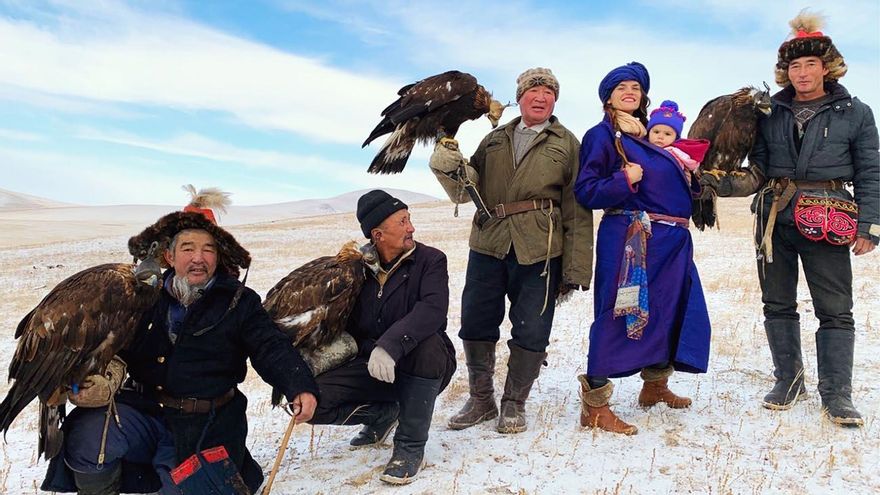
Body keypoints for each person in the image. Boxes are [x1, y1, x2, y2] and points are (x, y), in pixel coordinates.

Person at [41, 205, 319, 494]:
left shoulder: (240, 302)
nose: (198, 258)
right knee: (86, 436)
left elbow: (270, 346)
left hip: (207, 425)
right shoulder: (143, 296)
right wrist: (105, 377)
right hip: (145, 413)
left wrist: (298, 385)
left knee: (190, 487)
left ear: (219, 256)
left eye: (208, 249)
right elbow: (118, 347)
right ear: (169, 256)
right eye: (188, 248)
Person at [698, 12, 878, 426]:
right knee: (777, 303)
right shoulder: (770, 112)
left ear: (826, 66)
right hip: (773, 219)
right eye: (794, 65)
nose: (802, 72)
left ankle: (837, 394)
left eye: (810, 63)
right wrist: (716, 183)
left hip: (829, 215)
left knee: (835, 309)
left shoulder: (855, 112)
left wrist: (870, 225)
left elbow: (871, 170)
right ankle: (788, 380)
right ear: (785, 71)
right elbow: (757, 169)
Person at [429, 68, 593, 434]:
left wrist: (577, 270)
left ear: (555, 100)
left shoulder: (567, 143)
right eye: (533, 90)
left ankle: (514, 404)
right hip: (489, 241)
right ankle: (481, 399)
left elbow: (577, 211)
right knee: (475, 321)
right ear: (519, 97)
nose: (540, 96)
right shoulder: (494, 139)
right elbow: (464, 189)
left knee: (533, 328)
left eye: (548, 91)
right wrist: (447, 165)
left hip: (541, 248)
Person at [574, 62, 711, 435]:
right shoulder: (603, 136)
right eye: (621, 87)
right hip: (632, 239)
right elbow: (586, 191)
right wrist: (624, 178)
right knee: (620, 309)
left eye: (635, 87)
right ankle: (595, 404)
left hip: (673, 242)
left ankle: (654, 385)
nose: (629, 92)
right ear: (608, 96)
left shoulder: (654, 138)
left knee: (668, 309)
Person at [307, 190, 456, 485]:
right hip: (371, 365)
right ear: (378, 234)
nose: (411, 227)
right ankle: (382, 414)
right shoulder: (355, 269)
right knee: (313, 398)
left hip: (422, 365)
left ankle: (410, 447)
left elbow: (433, 310)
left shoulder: (431, 260)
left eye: (409, 219)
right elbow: (342, 323)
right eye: (402, 221)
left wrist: (390, 345)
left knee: (427, 344)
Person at [645, 100, 711, 186]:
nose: (660, 136)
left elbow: (688, 165)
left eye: (667, 134)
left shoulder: (675, 154)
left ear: (675, 138)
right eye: (656, 132)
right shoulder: (641, 148)